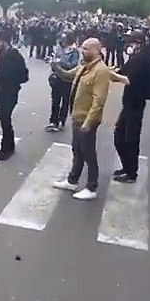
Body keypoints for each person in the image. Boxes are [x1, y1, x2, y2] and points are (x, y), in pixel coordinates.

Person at [49, 37, 111, 201]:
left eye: (86, 49)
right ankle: (72, 180)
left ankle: (92, 187)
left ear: (97, 51)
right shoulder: (84, 67)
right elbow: (67, 75)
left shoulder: (100, 71)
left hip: (87, 119)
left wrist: (88, 123)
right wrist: (55, 66)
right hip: (77, 117)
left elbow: (99, 101)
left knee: (88, 153)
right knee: (77, 150)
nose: (83, 51)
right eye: (82, 48)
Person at [107, 30, 150, 182]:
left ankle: (131, 173)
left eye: (131, 42)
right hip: (130, 104)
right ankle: (127, 168)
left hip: (135, 104)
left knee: (129, 140)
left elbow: (127, 76)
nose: (129, 45)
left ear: (138, 43)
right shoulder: (139, 57)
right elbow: (124, 71)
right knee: (120, 137)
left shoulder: (142, 58)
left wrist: (111, 75)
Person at [0, 29, 28, 161]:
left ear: (5, 42)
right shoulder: (2, 53)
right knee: (3, 119)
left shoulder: (14, 55)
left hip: (10, 92)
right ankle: (9, 145)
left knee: (5, 119)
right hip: (0, 90)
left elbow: (22, 75)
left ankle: (7, 148)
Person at [46, 34, 80, 133]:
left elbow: (72, 65)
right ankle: (53, 121)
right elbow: (54, 60)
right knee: (55, 101)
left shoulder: (74, 51)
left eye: (64, 38)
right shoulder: (59, 49)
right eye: (62, 38)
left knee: (65, 101)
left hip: (67, 79)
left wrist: (60, 62)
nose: (62, 40)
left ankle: (62, 121)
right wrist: (52, 62)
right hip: (57, 78)